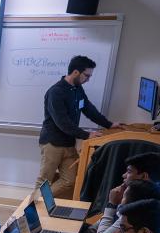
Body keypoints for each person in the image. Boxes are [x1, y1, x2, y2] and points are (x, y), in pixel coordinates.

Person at [37, 55, 117, 198]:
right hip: (52, 144)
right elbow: (62, 122)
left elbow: (88, 109)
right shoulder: (56, 92)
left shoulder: (77, 89)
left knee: (70, 181)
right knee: (44, 182)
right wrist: (87, 135)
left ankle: (41, 200)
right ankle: (32, 209)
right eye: (87, 75)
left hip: (68, 143)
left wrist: (109, 124)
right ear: (75, 72)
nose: (88, 79)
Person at [95, 179, 160, 233]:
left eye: (123, 196)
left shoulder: (129, 218)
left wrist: (112, 204)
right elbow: (94, 227)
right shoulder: (121, 209)